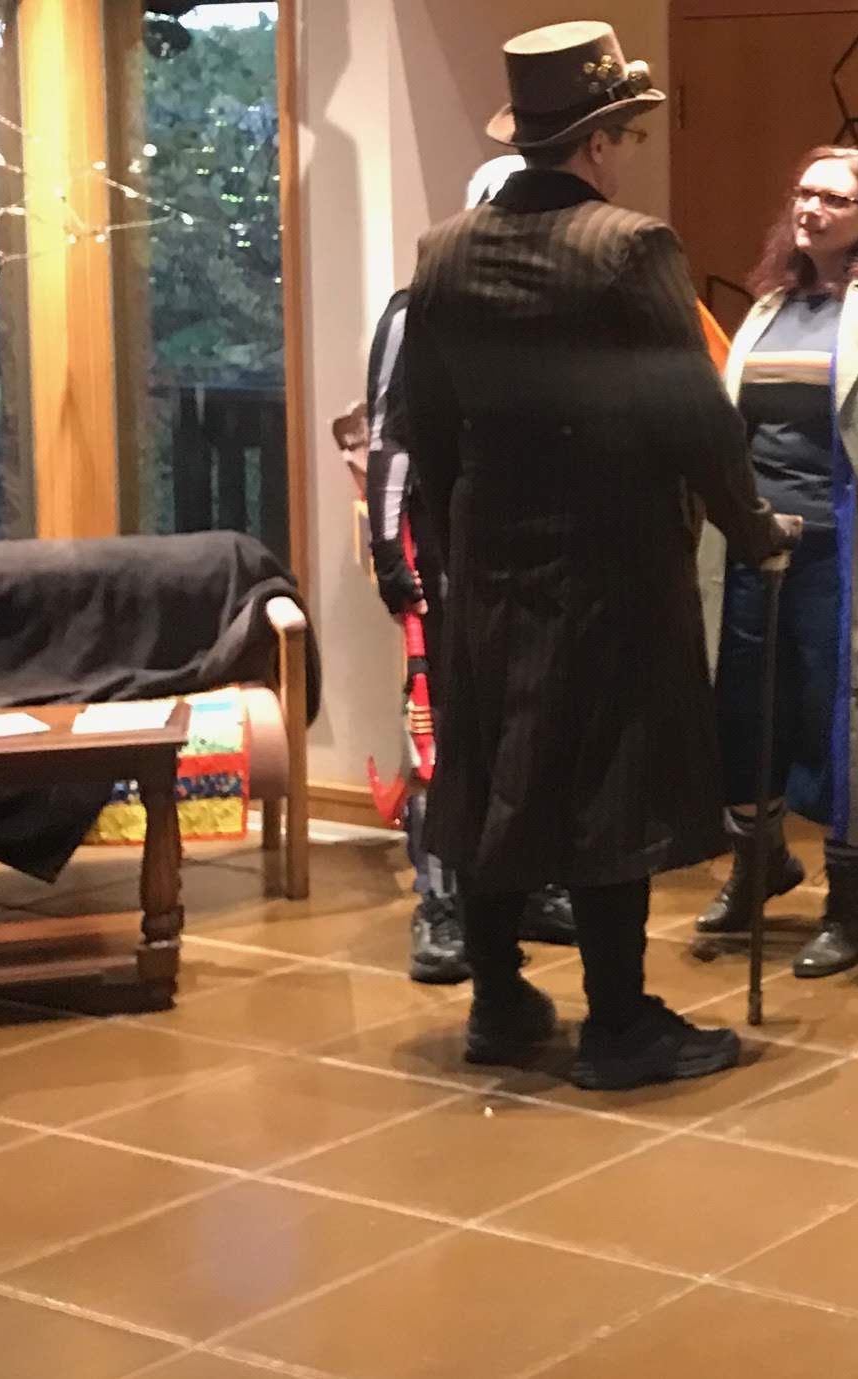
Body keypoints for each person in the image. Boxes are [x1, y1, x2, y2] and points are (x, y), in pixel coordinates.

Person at [391, 22, 793, 1091]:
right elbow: (695, 417)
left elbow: (422, 421)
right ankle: (618, 1023)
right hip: (614, 560)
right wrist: (753, 528)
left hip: (489, 559)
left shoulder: (443, 250)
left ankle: (497, 1001)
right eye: (625, 134)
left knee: (495, 768)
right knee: (613, 776)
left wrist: (453, 545)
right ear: (600, 139)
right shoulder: (630, 247)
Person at [694, 145, 858, 979]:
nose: (810, 208)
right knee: (745, 708)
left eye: (834, 199)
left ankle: (848, 911)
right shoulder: (772, 305)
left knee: (847, 722)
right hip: (752, 547)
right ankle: (757, 867)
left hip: (846, 552)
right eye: (804, 192)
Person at [353, 156, 577, 986]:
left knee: (532, 718)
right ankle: (441, 902)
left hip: (534, 549)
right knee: (439, 723)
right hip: (443, 548)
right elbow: (391, 435)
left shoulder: (562, 307)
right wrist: (390, 550)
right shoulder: (417, 311)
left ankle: (528, 880)